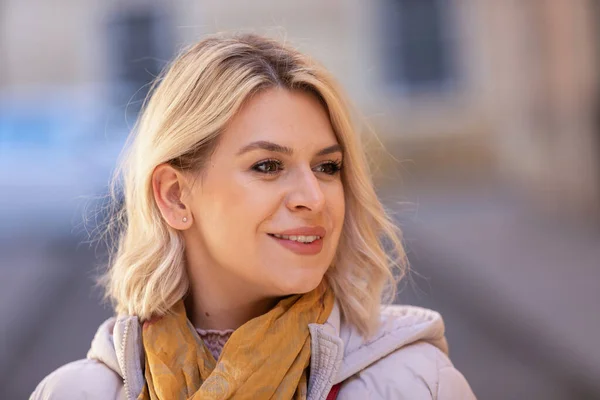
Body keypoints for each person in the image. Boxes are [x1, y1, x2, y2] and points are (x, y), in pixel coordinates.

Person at [31, 33, 476, 399]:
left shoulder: (417, 385)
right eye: (268, 166)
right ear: (175, 197)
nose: (313, 198)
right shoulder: (74, 393)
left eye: (327, 167)